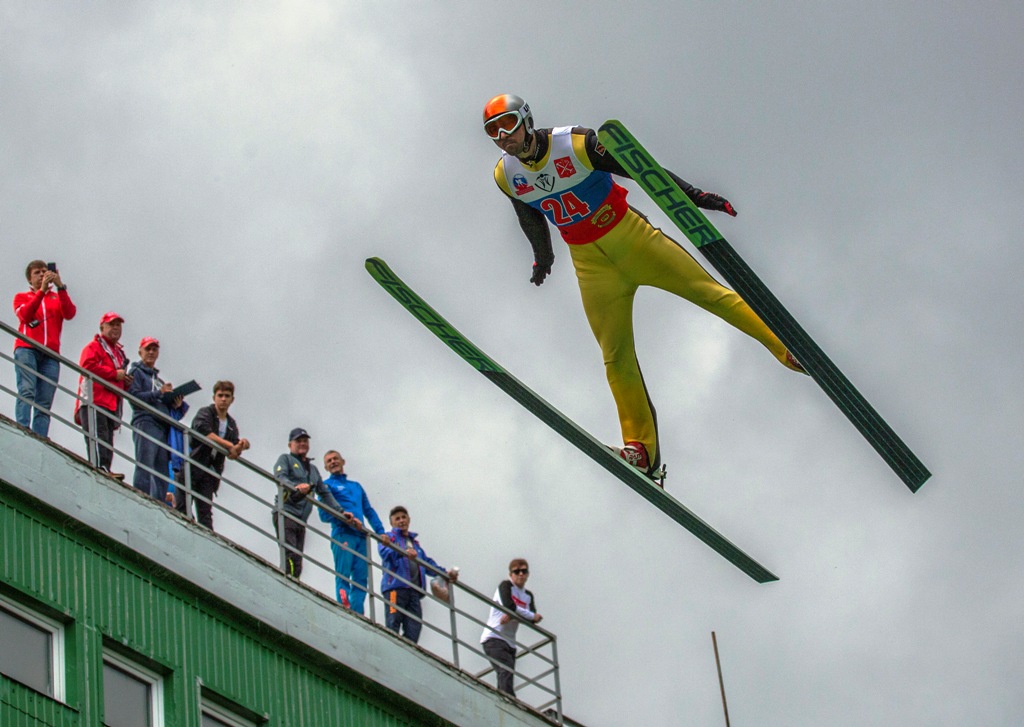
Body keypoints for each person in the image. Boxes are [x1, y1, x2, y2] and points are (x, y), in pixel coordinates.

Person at [482, 94, 806, 482]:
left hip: (632, 239)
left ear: (526, 120)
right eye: (492, 130)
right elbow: (530, 214)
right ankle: (641, 452)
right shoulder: (506, 175)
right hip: (590, 265)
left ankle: (786, 348)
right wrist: (543, 258)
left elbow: (644, 171)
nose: (502, 136)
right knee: (614, 355)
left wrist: (695, 196)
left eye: (507, 124)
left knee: (710, 293)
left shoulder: (577, 143)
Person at [12, 260, 77, 437]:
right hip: (27, 348)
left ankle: (40, 435)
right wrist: (41, 291)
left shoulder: (56, 298)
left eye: (44, 271)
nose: (42, 275)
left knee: (45, 400)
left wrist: (60, 287)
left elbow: (70, 313)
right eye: (37, 273)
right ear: (29, 279)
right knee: (27, 389)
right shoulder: (22, 297)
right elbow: (25, 315)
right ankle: (22, 427)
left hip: (50, 355)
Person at [378, 506, 458, 644]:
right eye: (397, 519)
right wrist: (402, 551)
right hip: (395, 589)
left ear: (409, 519)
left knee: (414, 629)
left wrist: (445, 574)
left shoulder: (415, 544)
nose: (401, 520)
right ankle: (391, 651)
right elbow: (385, 553)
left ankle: (404, 655)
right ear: (392, 523)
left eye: (404, 517)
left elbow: (426, 563)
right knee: (393, 623)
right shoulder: (389, 537)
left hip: (414, 592)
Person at [319, 451, 386, 613]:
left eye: (336, 459)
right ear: (325, 467)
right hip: (343, 534)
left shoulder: (356, 486)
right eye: (329, 461)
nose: (333, 462)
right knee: (343, 575)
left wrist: (381, 531)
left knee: (361, 579)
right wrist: (343, 517)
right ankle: (344, 609)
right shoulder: (327, 486)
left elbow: (368, 510)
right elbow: (323, 514)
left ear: (343, 461)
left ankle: (358, 613)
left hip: (361, 537)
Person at [176, 380, 249, 529]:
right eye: (220, 395)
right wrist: (230, 445)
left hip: (210, 472)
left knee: (205, 515)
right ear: (214, 397)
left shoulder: (231, 424)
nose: (223, 399)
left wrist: (242, 445)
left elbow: (232, 451)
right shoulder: (206, 412)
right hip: (193, 466)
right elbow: (205, 433)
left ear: (232, 400)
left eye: (227, 396)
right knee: (182, 508)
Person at [272, 428, 343, 579]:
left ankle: (292, 585)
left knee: (297, 561)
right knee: (290, 555)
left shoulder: (313, 470)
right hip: (286, 512)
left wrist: (341, 512)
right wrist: (295, 487)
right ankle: (286, 583)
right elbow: (280, 476)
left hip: (301, 520)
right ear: (290, 444)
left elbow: (324, 493)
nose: (302, 444)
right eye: (298, 441)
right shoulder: (285, 459)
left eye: (305, 441)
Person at [127, 337, 187, 504]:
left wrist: (175, 404)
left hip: (162, 427)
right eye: (148, 349)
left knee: (161, 469)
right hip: (145, 422)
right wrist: (159, 393)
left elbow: (161, 403)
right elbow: (133, 397)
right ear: (140, 351)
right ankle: (140, 497)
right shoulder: (136, 372)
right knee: (145, 463)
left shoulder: (157, 379)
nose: (151, 352)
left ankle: (158, 503)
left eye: (154, 349)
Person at [73, 312, 131, 479]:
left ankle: (105, 469)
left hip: (111, 403)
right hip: (93, 400)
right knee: (98, 438)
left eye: (118, 325)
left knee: (107, 442)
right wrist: (114, 374)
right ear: (102, 327)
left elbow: (116, 379)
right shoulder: (93, 346)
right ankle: (99, 470)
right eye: (112, 324)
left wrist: (125, 383)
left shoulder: (119, 353)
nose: (115, 328)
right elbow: (86, 366)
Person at [480, 558, 542, 697]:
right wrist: (522, 614)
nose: (520, 574)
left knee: (506, 674)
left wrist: (514, 615)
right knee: (505, 669)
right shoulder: (506, 586)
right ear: (511, 574)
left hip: (510, 642)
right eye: (517, 571)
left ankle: (501, 700)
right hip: (494, 637)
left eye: (524, 571)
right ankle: (509, 700)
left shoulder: (528, 596)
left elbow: (531, 618)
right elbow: (509, 606)